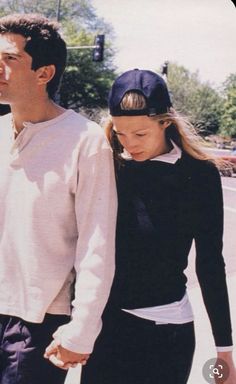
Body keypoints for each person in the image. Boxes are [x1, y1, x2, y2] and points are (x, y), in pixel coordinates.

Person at [81, 69, 236, 384]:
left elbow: (209, 263)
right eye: (121, 133)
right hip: (105, 330)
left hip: (167, 335)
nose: (130, 144)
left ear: (166, 123)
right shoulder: (106, 164)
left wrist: (224, 352)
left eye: (141, 134)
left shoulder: (199, 175)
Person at [0, 13, 117, 384]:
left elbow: (97, 244)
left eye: (9, 59)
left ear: (44, 73)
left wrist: (82, 329)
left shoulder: (84, 140)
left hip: (36, 322)